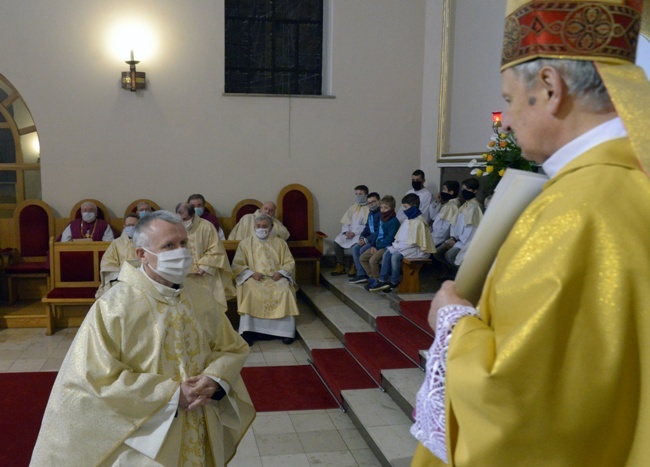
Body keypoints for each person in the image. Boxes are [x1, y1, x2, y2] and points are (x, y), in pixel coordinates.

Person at [411, 1, 650, 465]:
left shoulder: (577, 209)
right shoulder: (629, 183)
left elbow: (518, 404)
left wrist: (450, 322)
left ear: (549, 88)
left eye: (508, 99)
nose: (509, 118)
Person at [31, 211, 255, 466]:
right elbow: (94, 380)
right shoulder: (114, 307)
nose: (180, 252)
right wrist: (170, 395)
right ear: (142, 255)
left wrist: (215, 378)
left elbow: (231, 347)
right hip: (145, 438)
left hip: (199, 421)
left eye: (183, 243)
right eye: (169, 245)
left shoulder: (199, 297)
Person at [231, 214, 299, 345]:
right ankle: (249, 331)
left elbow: (289, 262)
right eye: (258, 226)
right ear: (254, 227)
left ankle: (285, 332)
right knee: (250, 291)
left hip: (276, 277)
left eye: (264, 226)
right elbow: (237, 265)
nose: (261, 229)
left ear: (271, 227)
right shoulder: (245, 244)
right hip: (254, 278)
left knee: (285, 290)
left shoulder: (280, 243)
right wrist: (250, 274)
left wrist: (281, 272)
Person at [369, 193, 433, 293]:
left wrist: (398, 246)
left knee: (395, 256)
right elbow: (401, 236)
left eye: (405, 207)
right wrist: (397, 245)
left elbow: (414, 242)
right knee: (387, 252)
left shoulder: (419, 222)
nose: (403, 209)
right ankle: (383, 280)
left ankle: (394, 281)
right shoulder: (408, 220)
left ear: (414, 206)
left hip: (416, 249)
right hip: (406, 246)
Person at [176, 202, 234, 311]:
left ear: (193, 216)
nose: (182, 222)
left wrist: (205, 266)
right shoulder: (175, 228)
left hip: (204, 274)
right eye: (180, 219)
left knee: (209, 308)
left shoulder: (206, 226)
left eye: (185, 219)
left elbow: (216, 250)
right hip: (183, 275)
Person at [434, 178, 482, 271]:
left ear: (475, 191)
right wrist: (453, 237)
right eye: (463, 189)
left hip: (466, 242)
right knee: (438, 252)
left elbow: (471, 230)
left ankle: (463, 275)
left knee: (449, 255)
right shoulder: (465, 205)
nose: (464, 192)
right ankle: (453, 273)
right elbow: (456, 224)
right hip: (457, 239)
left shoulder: (475, 208)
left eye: (467, 189)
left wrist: (456, 240)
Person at [360, 195, 400, 291]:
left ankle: (379, 282)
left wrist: (377, 247)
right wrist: (373, 245)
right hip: (377, 245)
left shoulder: (394, 221)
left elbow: (390, 239)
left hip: (386, 246)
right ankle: (373, 278)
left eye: (386, 208)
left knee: (373, 260)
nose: (383, 210)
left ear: (392, 208)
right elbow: (377, 233)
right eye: (381, 207)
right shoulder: (382, 218)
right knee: (363, 258)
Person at [95, 213, 139, 298]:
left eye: (134, 225)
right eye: (128, 225)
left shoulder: (147, 243)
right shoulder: (116, 243)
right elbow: (107, 263)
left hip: (141, 278)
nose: (131, 227)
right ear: (124, 227)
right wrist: (120, 275)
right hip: (120, 279)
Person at [331, 185, 370, 276]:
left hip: (359, 234)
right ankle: (340, 265)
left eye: (360, 194)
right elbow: (346, 222)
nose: (358, 196)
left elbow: (366, 225)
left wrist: (354, 233)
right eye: (356, 194)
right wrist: (346, 232)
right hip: (349, 233)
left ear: (366, 195)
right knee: (337, 242)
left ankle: (354, 266)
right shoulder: (353, 207)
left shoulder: (369, 209)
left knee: (356, 245)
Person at [348, 192, 381, 283]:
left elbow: (378, 231)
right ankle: (361, 274)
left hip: (377, 240)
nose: (371, 204)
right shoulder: (371, 213)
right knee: (355, 248)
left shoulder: (381, 214)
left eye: (373, 201)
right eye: (369, 203)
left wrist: (367, 240)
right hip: (371, 238)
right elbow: (367, 227)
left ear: (379, 201)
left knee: (362, 250)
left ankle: (369, 275)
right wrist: (362, 237)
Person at [430, 180, 461, 248]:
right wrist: (438, 202)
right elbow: (433, 217)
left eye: (444, 189)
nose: (442, 192)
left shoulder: (452, 206)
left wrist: (433, 238)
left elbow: (445, 228)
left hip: (439, 240)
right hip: (434, 236)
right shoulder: (448, 204)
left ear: (451, 192)